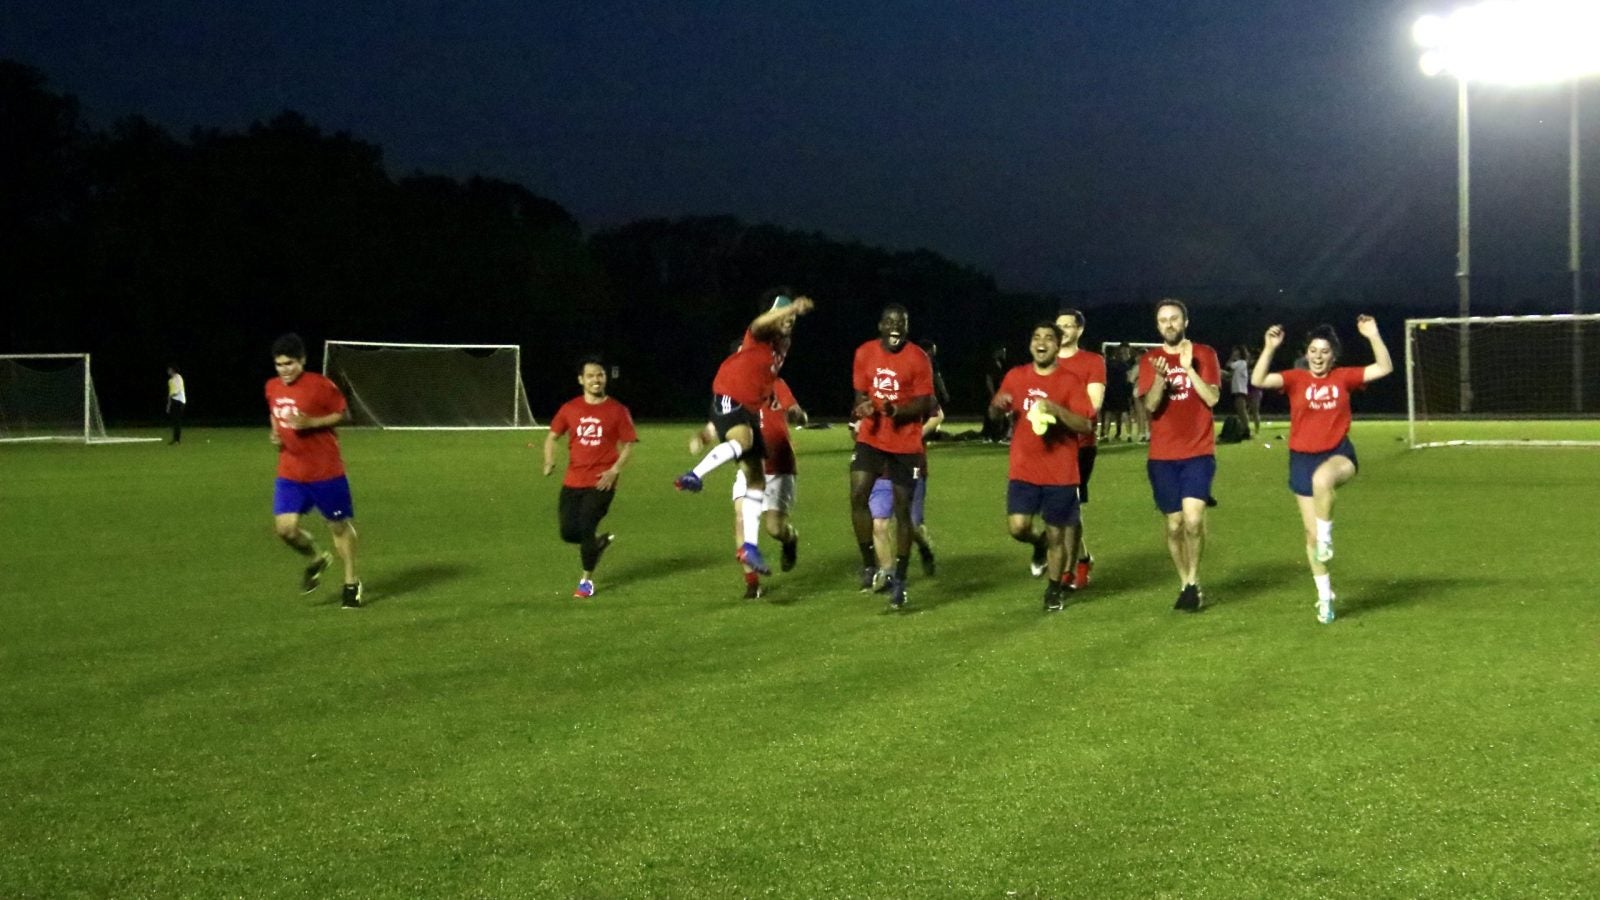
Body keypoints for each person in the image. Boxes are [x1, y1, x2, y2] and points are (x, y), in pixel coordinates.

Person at [1251, 317, 1393, 624]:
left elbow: (1384, 368)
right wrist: (1269, 347)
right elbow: (1259, 380)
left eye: (1324, 351)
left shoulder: (1343, 377)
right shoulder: (1295, 379)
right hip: (1301, 459)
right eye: (1313, 351)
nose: (1318, 356)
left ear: (1333, 355)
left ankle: (1328, 538)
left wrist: (1373, 335)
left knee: (1323, 479)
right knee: (1310, 536)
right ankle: (1324, 596)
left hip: (1337, 454)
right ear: (1307, 353)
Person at [674, 289, 814, 578]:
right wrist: (789, 309)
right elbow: (760, 324)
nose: (789, 318)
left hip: (752, 422)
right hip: (731, 395)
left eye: (791, 315)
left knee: (755, 480)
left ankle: (750, 546)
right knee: (744, 442)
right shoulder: (760, 333)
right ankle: (695, 474)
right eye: (782, 312)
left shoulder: (780, 346)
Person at [990, 322, 1095, 611]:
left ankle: (1054, 589)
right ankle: (1038, 545)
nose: (1042, 342)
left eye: (1049, 338)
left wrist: (1056, 409)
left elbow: (1086, 424)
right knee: (1018, 527)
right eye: (1036, 337)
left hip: (1060, 471)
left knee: (1058, 534)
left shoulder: (1070, 382)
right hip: (1024, 469)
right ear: (1030, 345)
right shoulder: (1016, 376)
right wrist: (997, 407)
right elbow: (995, 416)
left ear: (1057, 346)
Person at [1136, 300, 1222, 612]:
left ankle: (1193, 580)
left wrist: (1187, 370)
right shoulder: (1150, 360)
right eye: (1163, 320)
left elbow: (1212, 397)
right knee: (1174, 525)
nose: (1169, 324)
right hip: (1163, 455)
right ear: (1158, 326)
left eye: (1174, 318)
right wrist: (1161, 377)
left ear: (1185, 321)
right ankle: (1186, 581)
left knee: (1194, 520)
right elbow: (1151, 406)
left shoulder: (1205, 354)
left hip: (1198, 451)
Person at [265, 333, 363, 608]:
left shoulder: (320, 386)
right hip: (290, 472)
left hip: (325, 471)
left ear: (302, 361)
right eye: (279, 365)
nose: (284, 370)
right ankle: (317, 558)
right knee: (285, 529)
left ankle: (351, 582)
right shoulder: (272, 387)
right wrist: (275, 432)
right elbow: (275, 412)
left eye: (290, 364)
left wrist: (311, 423)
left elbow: (343, 414)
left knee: (338, 527)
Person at [849, 303, 935, 609]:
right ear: (880, 326)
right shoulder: (864, 353)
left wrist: (895, 410)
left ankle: (899, 576)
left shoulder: (918, 358)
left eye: (901, 322)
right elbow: (860, 395)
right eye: (890, 322)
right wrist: (863, 407)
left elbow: (925, 403)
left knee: (903, 512)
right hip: (871, 438)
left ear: (907, 327)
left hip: (904, 444)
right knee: (858, 495)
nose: (895, 327)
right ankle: (869, 564)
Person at [544, 356, 638, 599]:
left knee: (586, 527)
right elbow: (552, 436)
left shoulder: (617, 410)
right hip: (572, 480)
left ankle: (586, 582)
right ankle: (596, 544)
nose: (596, 379)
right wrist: (549, 460)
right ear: (580, 380)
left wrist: (614, 470)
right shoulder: (570, 408)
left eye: (600, 375)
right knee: (567, 532)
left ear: (605, 378)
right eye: (591, 376)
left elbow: (628, 445)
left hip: (601, 482)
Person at [727, 376, 806, 599]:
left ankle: (790, 539)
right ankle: (752, 583)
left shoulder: (775, 383)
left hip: (779, 466)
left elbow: (795, 411)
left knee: (774, 528)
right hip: (751, 466)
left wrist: (797, 415)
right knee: (741, 519)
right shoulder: (731, 392)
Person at [1055, 308, 1106, 590]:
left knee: (1068, 506)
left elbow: (1093, 404)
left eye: (1068, 325)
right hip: (1050, 445)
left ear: (1079, 330)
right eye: (1058, 325)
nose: (1062, 330)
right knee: (1059, 508)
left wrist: (1058, 412)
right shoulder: (1046, 360)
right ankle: (1082, 558)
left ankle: (1069, 569)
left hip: (1080, 445)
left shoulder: (1092, 361)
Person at [866, 403, 943, 590]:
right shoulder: (871, 388)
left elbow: (937, 414)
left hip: (910, 464)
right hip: (881, 470)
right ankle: (888, 573)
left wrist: (918, 434)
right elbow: (856, 428)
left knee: (912, 525)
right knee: (879, 523)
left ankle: (924, 547)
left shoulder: (913, 386)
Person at [1101, 344, 1131, 442]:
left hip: (1110, 391)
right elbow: (1128, 378)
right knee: (1124, 412)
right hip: (1122, 390)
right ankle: (1129, 434)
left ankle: (1105, 435)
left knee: (1108, 413)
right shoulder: (1123, 365)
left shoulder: (1105, 365)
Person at [1226, 345, 1253, 439]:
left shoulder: (1241, 362)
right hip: (1239, 390)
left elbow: (1228, 365)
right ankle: (1244, 429)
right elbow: (1230, 375)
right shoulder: (1241, 364)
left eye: (1235, 351)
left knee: (1242, 411)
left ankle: (1247, 431)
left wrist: (1231, 358)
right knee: (1241, 411)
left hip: (1240, 390)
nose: (1234, 353)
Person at [166, 365, 186, 444]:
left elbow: (177, 390)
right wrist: (168, 405)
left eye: (169, 369)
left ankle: (177, 439)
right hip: (174, 401)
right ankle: (175, 439)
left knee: (177, 420)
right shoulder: (170, 381)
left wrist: (172, 396)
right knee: (175, 421)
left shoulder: (178, 377)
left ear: (173, 370)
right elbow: (170, 393)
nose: (168, 371)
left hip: (179, 401)